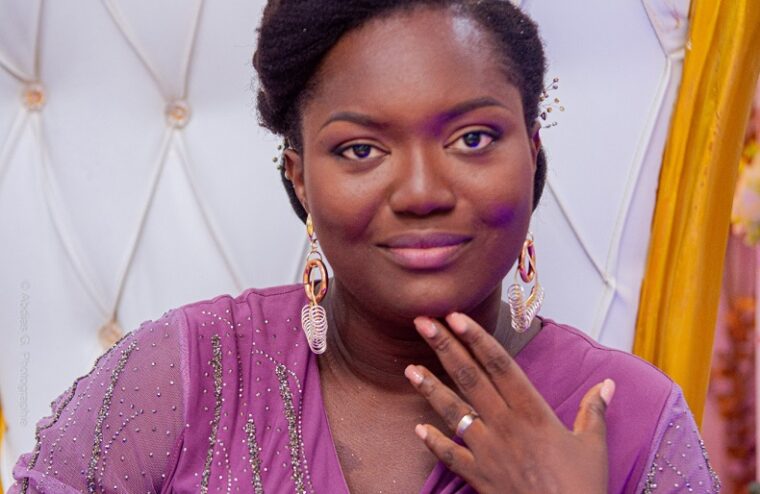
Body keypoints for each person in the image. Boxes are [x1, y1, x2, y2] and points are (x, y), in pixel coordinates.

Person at [9, 1, 720, 493]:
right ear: (299, 177)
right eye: (360, 149)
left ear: (532, 155)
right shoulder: (187, 374)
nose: (422, 191)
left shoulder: (633, 418)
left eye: (473, 138)